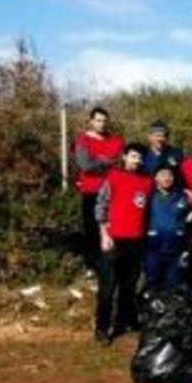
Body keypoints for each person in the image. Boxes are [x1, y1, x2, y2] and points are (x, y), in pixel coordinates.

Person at [94, 143, 153, 345]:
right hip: (114, 240)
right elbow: (101, 205)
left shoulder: (147, 181)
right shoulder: (113, 177)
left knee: (129, 286)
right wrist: (104, 234)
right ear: (125, 157)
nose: (137, 161)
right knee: (108, 288)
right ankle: (102, 328)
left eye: (140, 158)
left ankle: (125, 321)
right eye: (134, 156)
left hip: (136, 241)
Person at [74, 106, 125, 275]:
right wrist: (105, 162)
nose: (101, 124)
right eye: (98, 120)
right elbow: (85, 165)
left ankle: (110, 263)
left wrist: (99, 161)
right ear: (90, 121)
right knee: (91, 228)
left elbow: (118, 163)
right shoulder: (83, 140)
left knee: (112, 227)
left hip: (112, 190)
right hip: (90, 190)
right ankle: (92, 265)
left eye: (104, 121)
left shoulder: (116, 140)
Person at [144, 163, 191, 294]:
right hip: (153, 249)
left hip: (175, 250)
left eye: (170, 175)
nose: (167, 178)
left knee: (174, 285)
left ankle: (171, 313)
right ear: (156, 178)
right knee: (152, 284)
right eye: (163, 175)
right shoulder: (149, 197)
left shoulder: (182, 197)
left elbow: (190, 220)